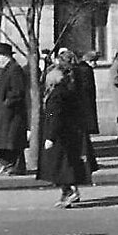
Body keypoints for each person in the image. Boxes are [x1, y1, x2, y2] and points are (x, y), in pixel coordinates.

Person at [36, 67, 89, 209]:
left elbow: (54, 116)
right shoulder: (67, 91)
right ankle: (70, 190)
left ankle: (69, 191)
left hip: (60, 137)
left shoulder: (56, 95)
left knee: (59, 167)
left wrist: (50, 137)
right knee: (66, 166)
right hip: (68, 135)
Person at [0, 43, 28, 176]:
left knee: (10, 141)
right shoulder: (7, 69)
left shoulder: (15, 70)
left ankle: (14, 166)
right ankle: (6, 164)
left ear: (5, 56)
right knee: (1, 141)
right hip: (3, 113)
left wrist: (7, 103)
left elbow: (18, 91)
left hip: (11, 114)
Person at [73, 50, 100, 168]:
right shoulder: (86, 71)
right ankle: (88, 159)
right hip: (85, 106)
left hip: (82, 106)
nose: (96, 65)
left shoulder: (79, 69)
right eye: (94, 62)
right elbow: (87, 90)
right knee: (85, 136)